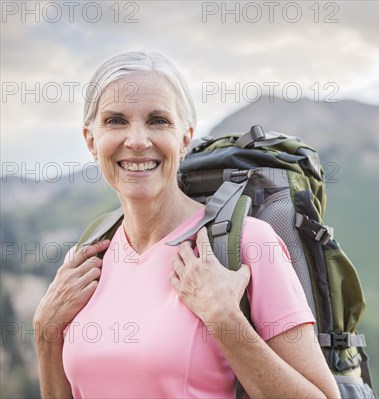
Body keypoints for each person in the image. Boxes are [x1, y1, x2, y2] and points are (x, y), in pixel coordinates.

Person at [33, 52, 340, 399]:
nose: (136, 140)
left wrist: (225, 321)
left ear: (184, 138)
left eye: (158, 120)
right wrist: (46, 333)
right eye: (116, 120)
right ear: (91, 140)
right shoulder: (85, 258)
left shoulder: (247, 244)